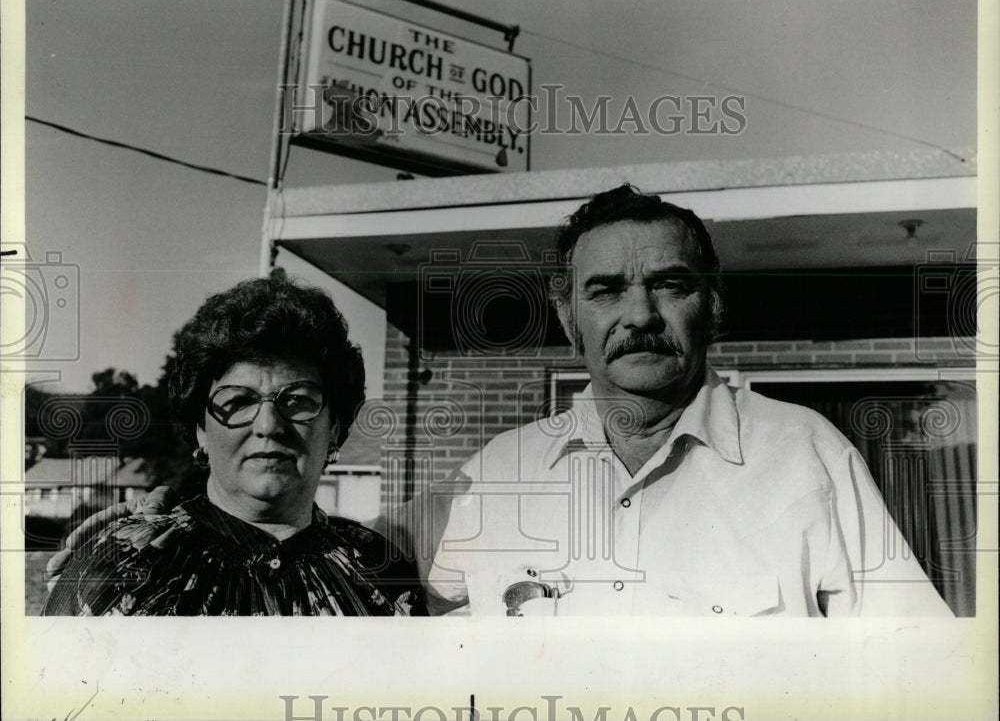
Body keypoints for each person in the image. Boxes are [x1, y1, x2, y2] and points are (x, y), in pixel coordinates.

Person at [49, 186, 952, 617]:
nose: (637, 316)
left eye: (668, 285)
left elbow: (915, 680)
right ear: (567, 314)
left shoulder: (810, 458)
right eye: (605, 291)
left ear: (712, 303)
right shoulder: (499, 474)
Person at [43, 277, 425, 616]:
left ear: (336, 427)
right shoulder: (124, 567)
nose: (269, 425)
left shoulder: (380, 568)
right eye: (238, 402)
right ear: (201, 432)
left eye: (298, 400)